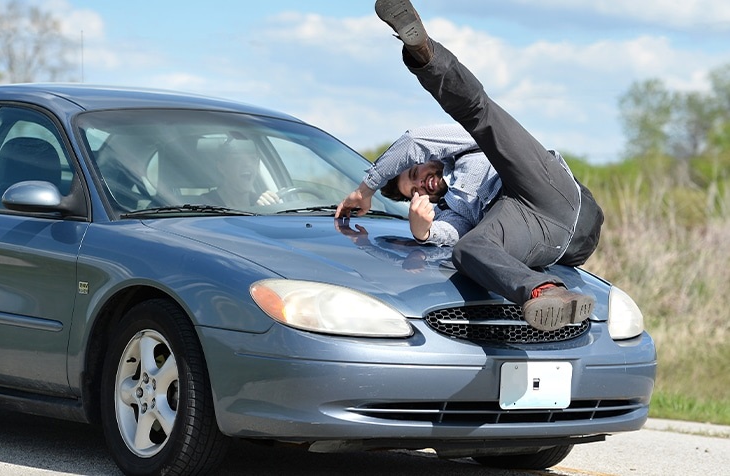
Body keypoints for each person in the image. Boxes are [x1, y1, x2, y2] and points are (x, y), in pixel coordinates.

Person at [336, 0, 605, 332]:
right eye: (415, 191)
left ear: (424, 163)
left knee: (481, 115)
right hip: (540, 236)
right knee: (468, 249)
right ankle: (545, 292)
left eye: (416, 173)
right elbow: (448, 236)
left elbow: (416, 141)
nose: (422, 184)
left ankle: (424, 52)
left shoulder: (458, 148)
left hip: (550, 190)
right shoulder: (453, 212)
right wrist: (423, 232)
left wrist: (367, 188)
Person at [200, 136, 280, 208]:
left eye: (252, 159)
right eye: (238, 159)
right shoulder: (203, 206)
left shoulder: (262, 203)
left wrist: (269, 209)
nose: (248, 164)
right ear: (221, 167)